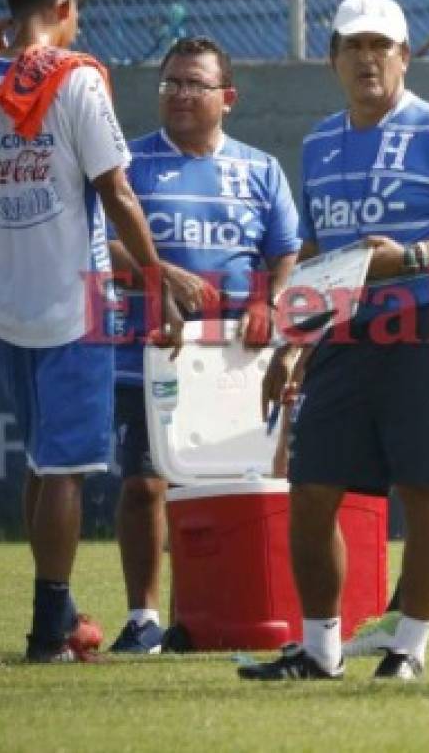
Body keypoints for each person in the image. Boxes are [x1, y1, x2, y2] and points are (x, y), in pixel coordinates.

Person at [238, 0, 429, 681]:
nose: (366, 58)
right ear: (332, 59)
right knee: (311, 490)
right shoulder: (319, 142)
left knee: (425, 494)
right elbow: (318, 250)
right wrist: (294, 340)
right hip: (343, 339)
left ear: (403, 56)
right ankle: (319, 650)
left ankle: (408, 650)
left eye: (379, 46)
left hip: (426, 330)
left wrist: (411, 258)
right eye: (352, 46)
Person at [0, 0, 179, 663]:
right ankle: (48, 628)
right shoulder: (77, 79)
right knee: (66, 470)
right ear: (66, 7)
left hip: (5, 296)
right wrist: (157, 280)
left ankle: (65, 610)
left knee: (42, 466)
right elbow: (118, 194)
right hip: (75, 302)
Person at [106, 36, 300, 654]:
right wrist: (156, 271)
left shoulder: (260, 169)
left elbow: (287, 252)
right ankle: (143, 620)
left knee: (241, 486)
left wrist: (270, 303)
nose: (181, 94)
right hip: (153, 352)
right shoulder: (126, 165)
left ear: (228, 97)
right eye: (171, 84)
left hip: (237, 362)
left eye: (195, 84)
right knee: (144, 485)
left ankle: (239, 608)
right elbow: (98, 245)